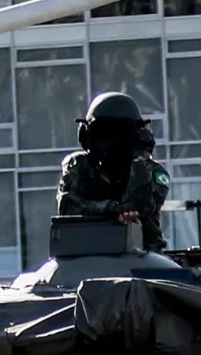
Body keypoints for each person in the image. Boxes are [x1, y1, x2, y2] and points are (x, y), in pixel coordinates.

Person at [55, 92, 170, 252]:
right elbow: (67, 207)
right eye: (103, 134)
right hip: (86, 254)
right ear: (87, 136)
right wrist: (110, 208)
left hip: (142, 256)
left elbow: (141, 209)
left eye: (121, 136)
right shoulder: (79, 165)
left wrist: (139, 159)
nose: (111, 145)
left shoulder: (151, 171)